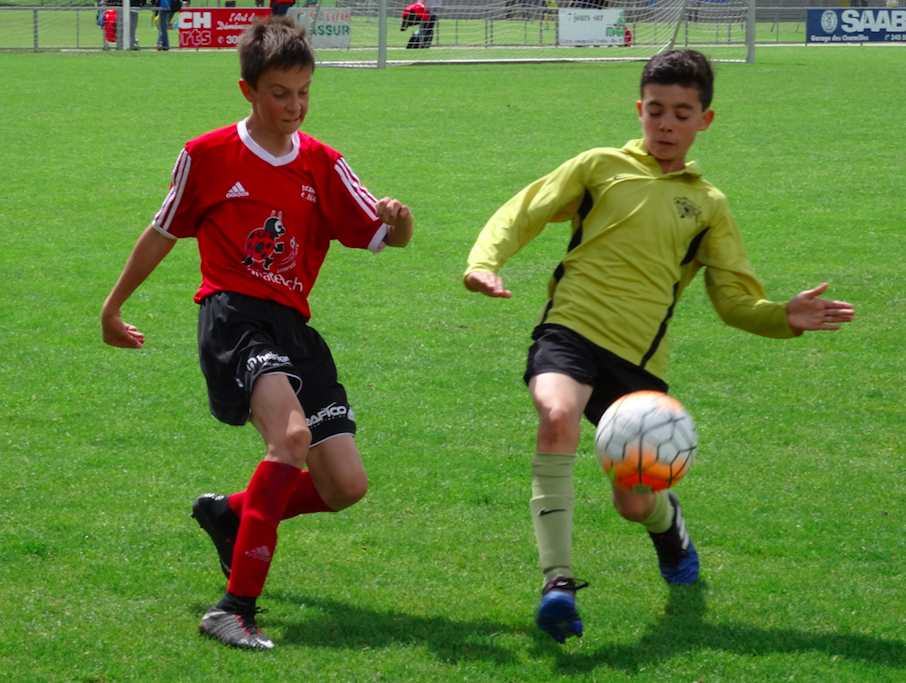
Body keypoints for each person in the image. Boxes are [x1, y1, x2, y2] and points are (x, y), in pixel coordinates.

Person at [463, 49, 855, 645]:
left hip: (639, 363)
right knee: (556, 415)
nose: (666, 124)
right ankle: (557, 583)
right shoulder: (600, 166)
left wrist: (783, 316)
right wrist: (484, 262)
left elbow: (733, 301)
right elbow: (525, 211)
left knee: (634, 503)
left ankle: (669, 528)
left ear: (705, 120)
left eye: (681, 113)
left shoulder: (708, 205)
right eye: (655, 110)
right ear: (639, 109)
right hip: (569, 330)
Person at [101, 17, 413, 651]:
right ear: (247, 90)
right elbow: (162, 231)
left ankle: (230, 513)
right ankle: (233, 609)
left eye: (303, 92)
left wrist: (400, 219)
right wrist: (113, 307)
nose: (294, 106)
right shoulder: (207, 154)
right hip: (233, 317)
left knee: (344, 485)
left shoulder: (323, 163)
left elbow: (387, 236)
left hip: (293, 328)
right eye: (279, 93)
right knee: (290, 438)